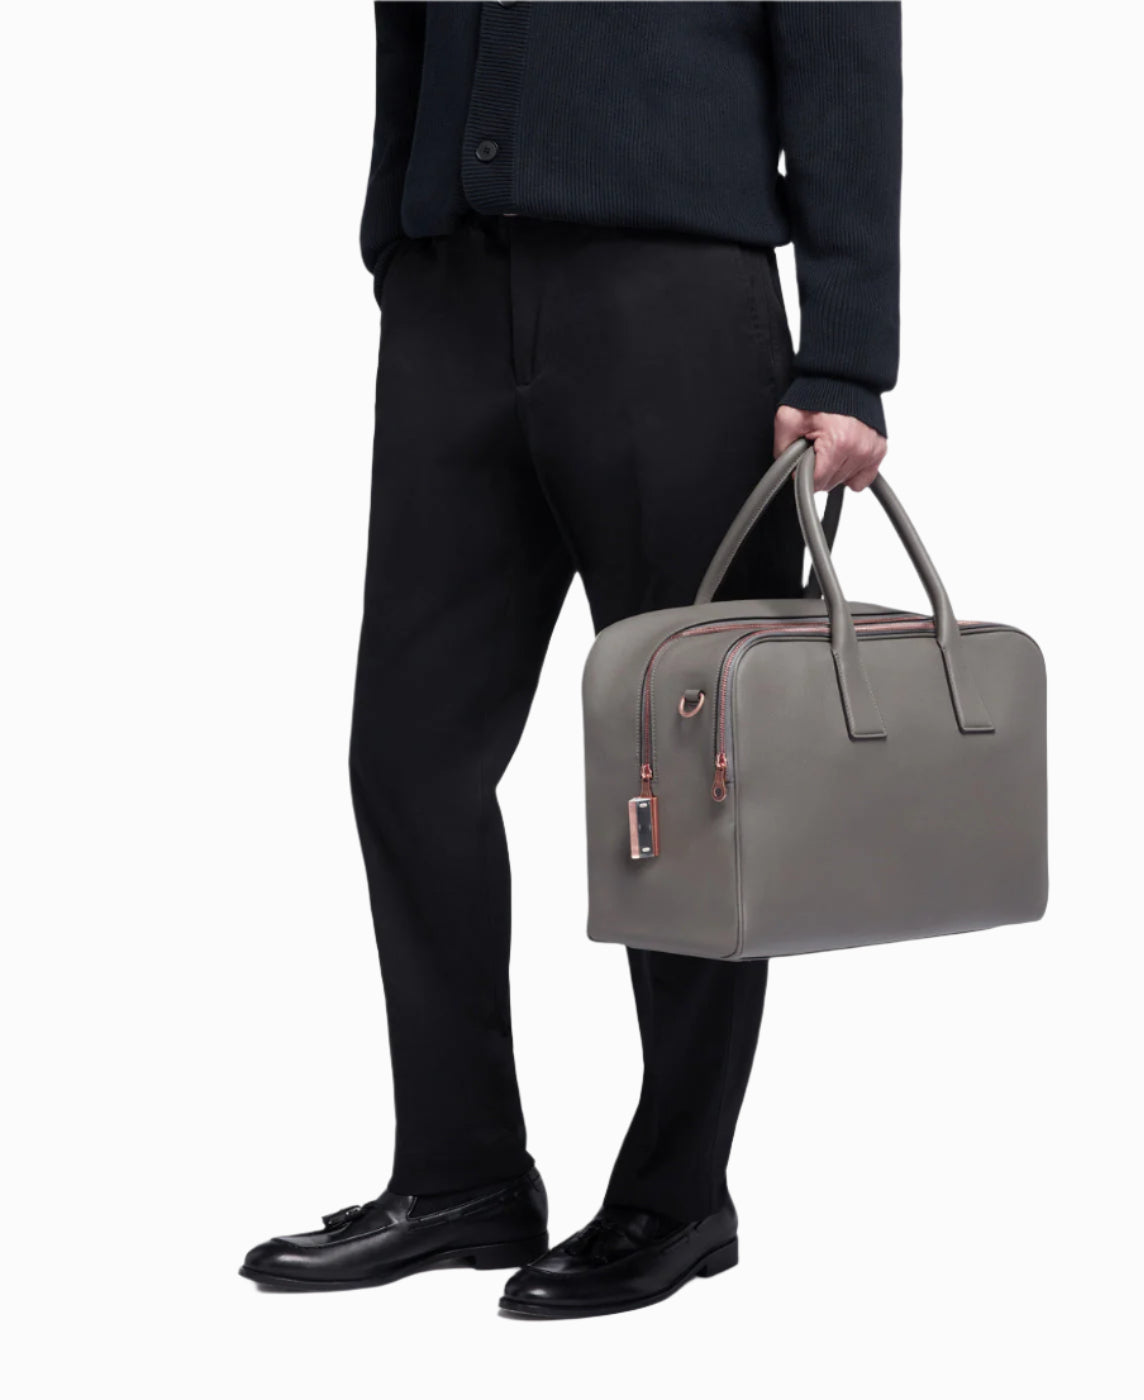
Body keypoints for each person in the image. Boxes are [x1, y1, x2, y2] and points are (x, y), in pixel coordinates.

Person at [242, 0, 900, 1319]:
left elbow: (844, 47)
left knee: (696, 772)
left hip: (676, 296)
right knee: (408, 759)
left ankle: (677, 1193)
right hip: (449, 301)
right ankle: (460, 1176)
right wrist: (396, 226)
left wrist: (847, 351)